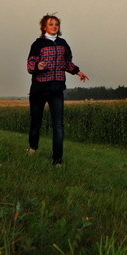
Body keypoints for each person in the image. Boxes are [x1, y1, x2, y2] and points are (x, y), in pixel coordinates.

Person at [27, 14, 88, 166]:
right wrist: (38, 66)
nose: (54, 26)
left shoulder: (63, 43)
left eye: (56, 24)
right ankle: (33, 147)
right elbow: (30, 65)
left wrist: (77, 71)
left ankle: (57, 161)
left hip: (56, 89)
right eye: (51, 24)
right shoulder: (38, 44)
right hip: (39, 89)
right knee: (36, 121)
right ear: (44, 27)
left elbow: (67, 62)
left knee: (58, 126)